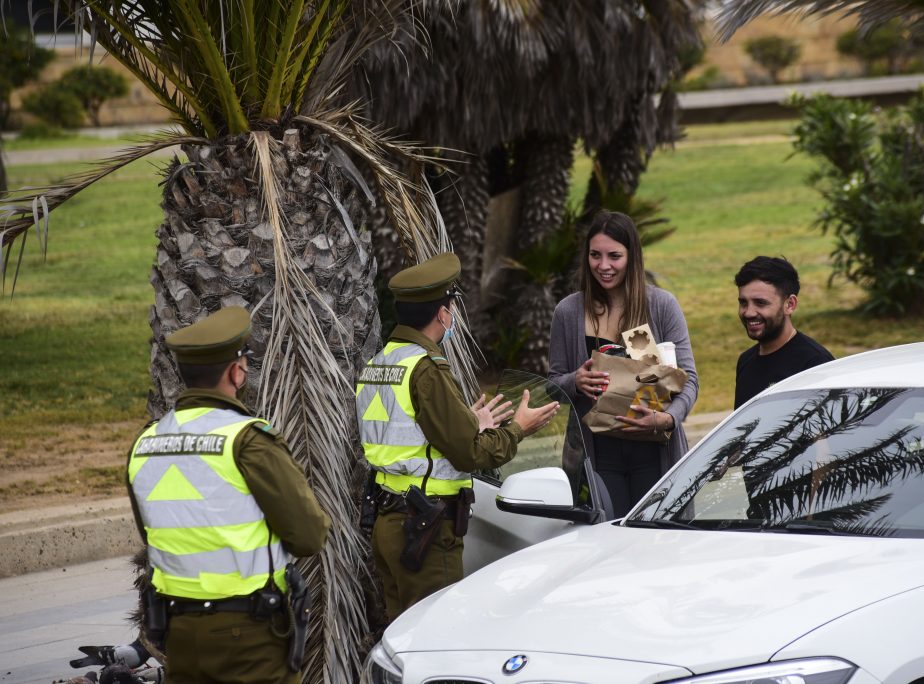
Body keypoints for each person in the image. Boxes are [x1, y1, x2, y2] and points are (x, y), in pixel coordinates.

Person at [125, 306, 330, 684]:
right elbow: (309, 535)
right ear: (237, 371)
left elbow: (155, 533)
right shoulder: (248, 440)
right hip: (250, 638)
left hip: (181, 633)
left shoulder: (145, 444)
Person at [357, 252, 559, 622]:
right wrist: (518, 428)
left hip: (389, 521)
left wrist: (469, 421)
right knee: (434, 633)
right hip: (425, 530)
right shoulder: (426, 369)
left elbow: (411, 436)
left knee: (402, 630)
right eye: (452, 306)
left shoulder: (380, 364)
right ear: (443, 314)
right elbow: (471, 455)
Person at [548, 210, 700, 518]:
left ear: (632, 257)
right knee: (607, 541)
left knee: (656, 543)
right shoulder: (569, 311)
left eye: (614, 256)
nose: (603, 266)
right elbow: (552, 384)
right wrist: (574, 382)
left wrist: (667, 419)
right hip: (597, 455)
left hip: (654, 451)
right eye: (595, 255)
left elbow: (689, 380)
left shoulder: (660, 306)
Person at [734, 256, 834, 409]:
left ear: (790, 304)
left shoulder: (814, 364)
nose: (748, 313)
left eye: (760, 303)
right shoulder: (745, 361)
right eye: (743, 303)